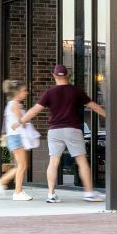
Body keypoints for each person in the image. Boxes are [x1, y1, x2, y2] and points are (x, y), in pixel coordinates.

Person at [38, 64, 106, 203]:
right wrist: (110, 116)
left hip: (54, 131)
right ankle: (89, 193)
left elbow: (35, 109)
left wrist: (21, 121)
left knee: (53, 162)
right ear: (67, 75)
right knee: (81, 161)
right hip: (72, 130)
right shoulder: (75, 91)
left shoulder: (49, 93)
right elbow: (93, 106)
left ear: (54, 75)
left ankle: (51, 194)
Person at [0, 79, 38, 201]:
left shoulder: (13, 104)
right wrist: (30, 114)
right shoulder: (15, 105)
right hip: (16, 138)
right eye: (24, 90)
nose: (26, 93)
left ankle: (0, 183)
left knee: (20, 166)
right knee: (22, 166)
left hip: (15, 137)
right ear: (17, 93)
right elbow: (23, 122)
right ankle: (17, 192)